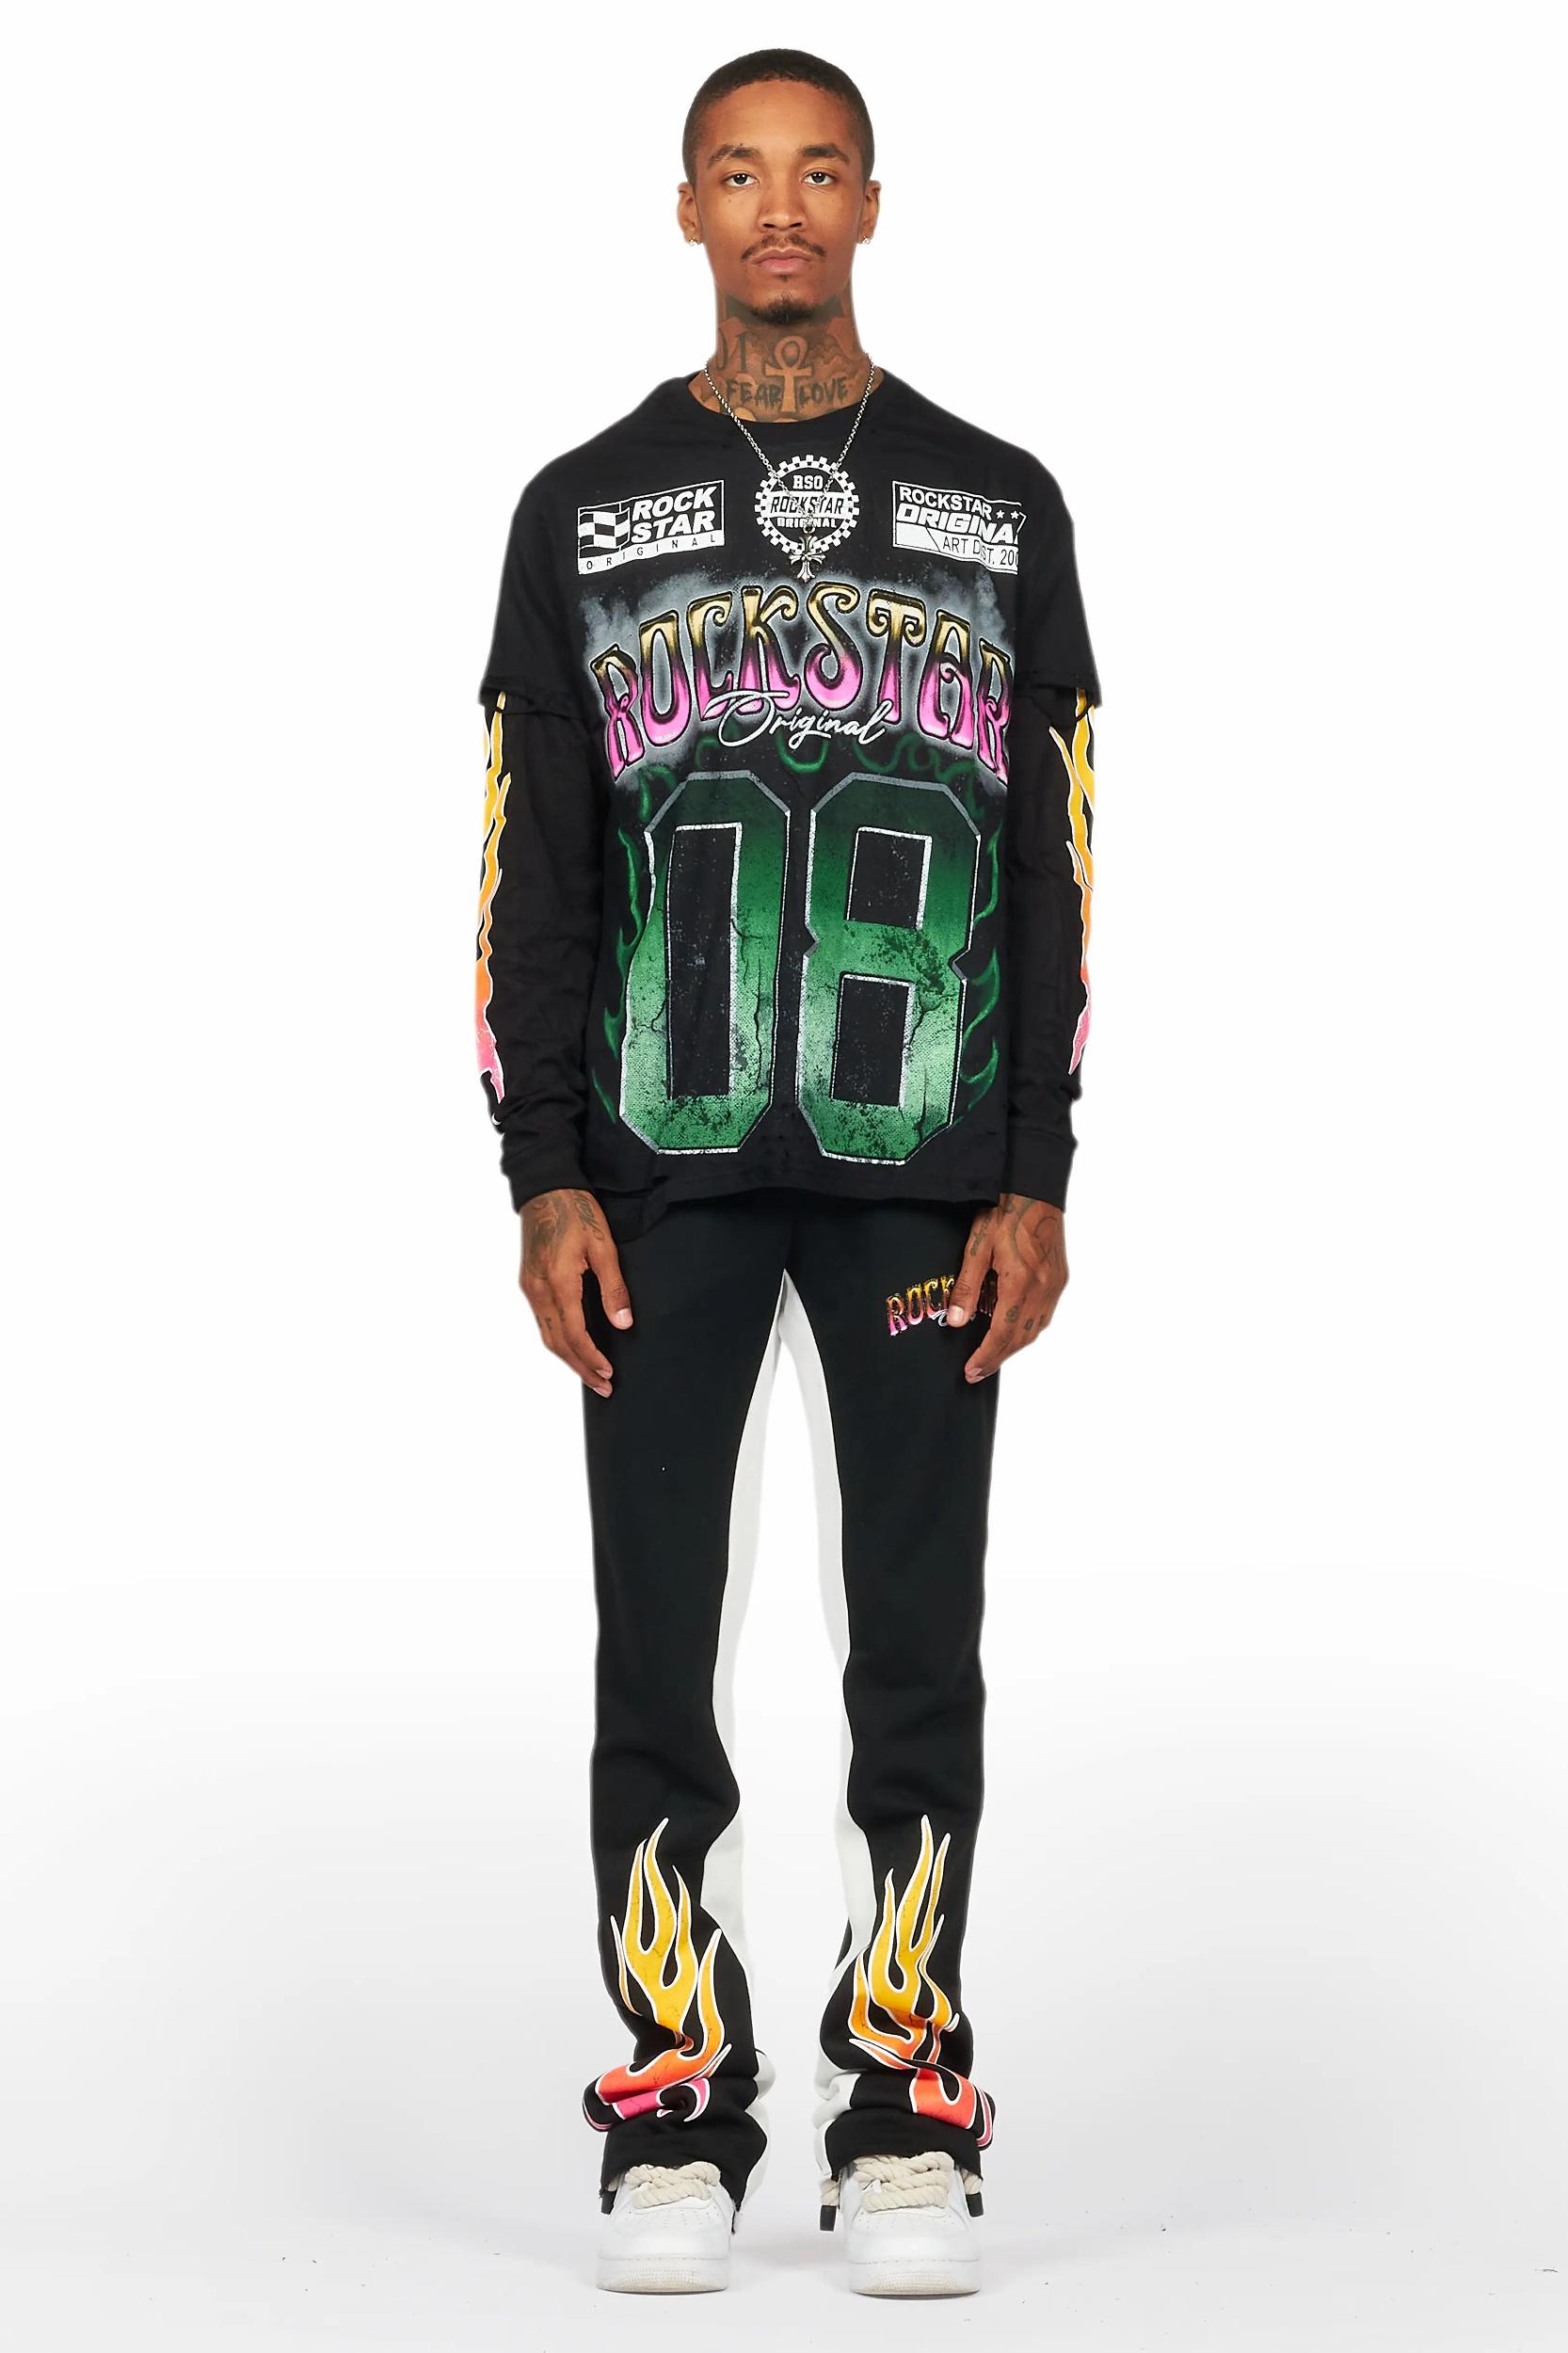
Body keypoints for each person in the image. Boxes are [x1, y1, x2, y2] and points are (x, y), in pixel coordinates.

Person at [473, 47, 1100, 2299]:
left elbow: (1049, 859)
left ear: (868, 204)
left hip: (921, 1170)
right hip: (656, 1174)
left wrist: (1033, 1168)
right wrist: (541, 1172)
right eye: (736, 173)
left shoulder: (995, 504)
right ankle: (674, 2101)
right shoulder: (582, 509)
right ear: (683, 209)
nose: (776, 210)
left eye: (815, 171)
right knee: (656, 1642)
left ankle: (903, 2096)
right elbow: (535, 866)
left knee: (914, 1647)